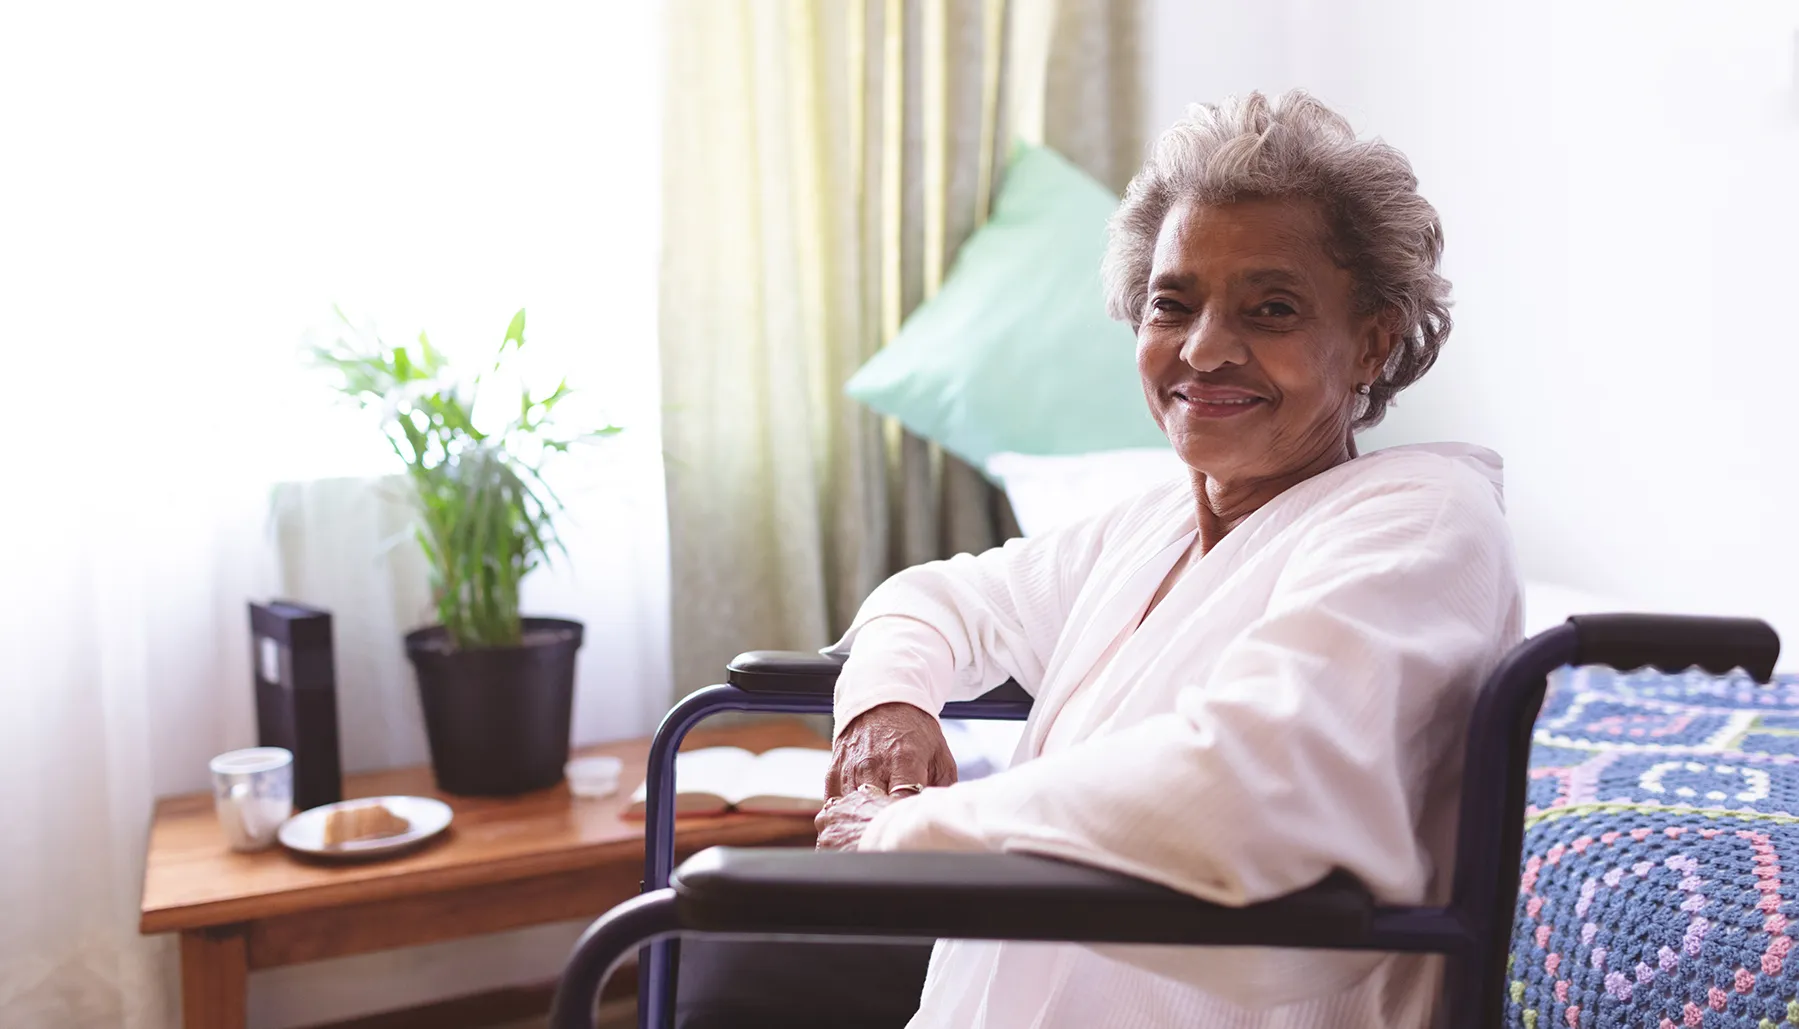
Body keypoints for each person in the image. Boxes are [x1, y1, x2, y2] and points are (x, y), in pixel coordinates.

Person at [814, 89, 1521, 1029]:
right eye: (1170, 304)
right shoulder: (1151, 527)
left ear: (1371, 342)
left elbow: (1247, 782)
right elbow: (940, 597)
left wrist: (906, 832)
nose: (1204, 349)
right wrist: (886, 706)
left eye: (1270, 309)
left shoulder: (1421, 518)